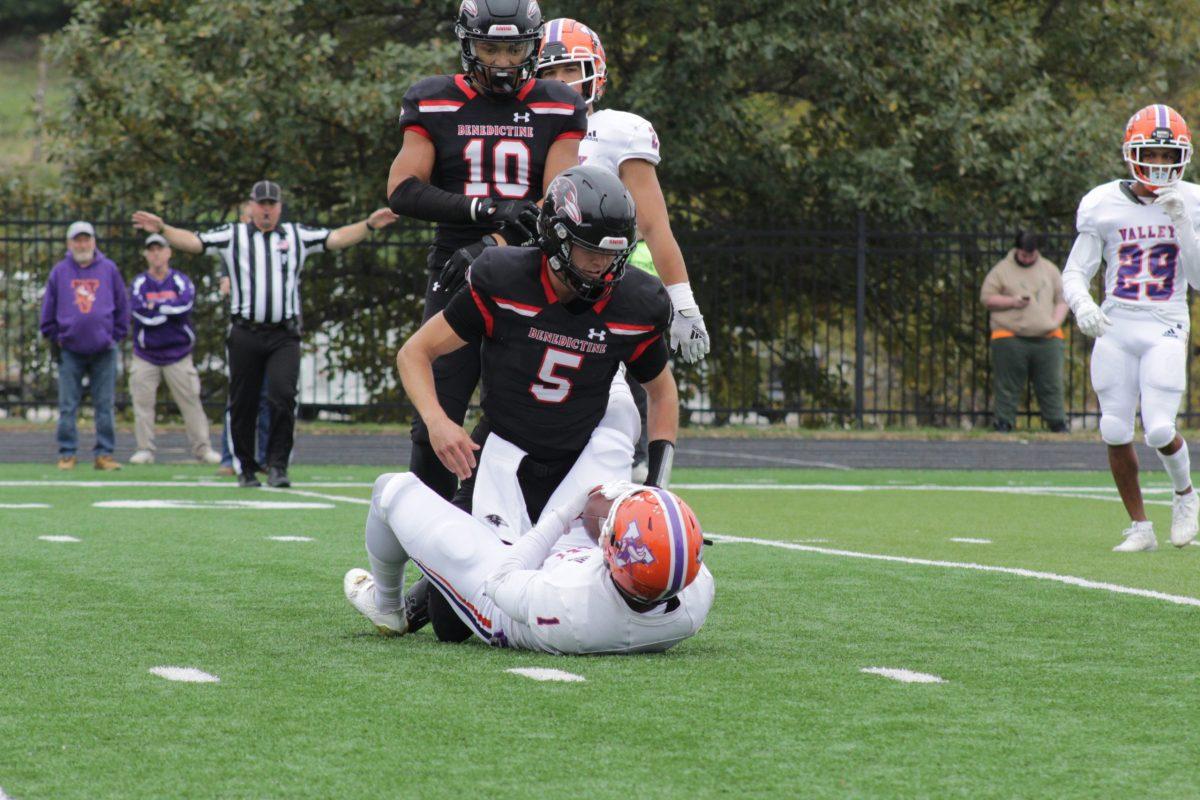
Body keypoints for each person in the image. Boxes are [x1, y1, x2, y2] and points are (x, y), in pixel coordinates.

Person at [397, 166, 679, 641]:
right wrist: (439, 422)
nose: (600, 267)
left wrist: (657, 483)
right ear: (555, 235)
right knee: (452, 627)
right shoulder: (504, 279)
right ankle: (428, 591)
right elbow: (414, 353)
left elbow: (662, 390)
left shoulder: (637, 301)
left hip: (579, 461)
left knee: (599, 583)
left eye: (611, 255)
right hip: (504, 451)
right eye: (589, 251)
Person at [385, 0, 588, 502]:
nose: (500, 60)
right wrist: (489, 212)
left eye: (513, 47)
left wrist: (496, 241)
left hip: (532, 268)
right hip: (458, 269)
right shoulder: (433, 100)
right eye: (489, 47)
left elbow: (559, 200)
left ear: (533, 46)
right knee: (437, 417)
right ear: (467, 44)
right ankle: (432, 558)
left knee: (527, 418)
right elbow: (403, 190)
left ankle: (498, 529)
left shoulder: (558, 103)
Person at [132, 181, 398, 488]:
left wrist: (368, 225)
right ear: (251, 206)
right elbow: (194, 242)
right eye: (262, 203)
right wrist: (163, 228)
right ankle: (246, 467)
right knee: (243, 402)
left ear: (280, 207)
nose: (267, 209)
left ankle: (277, 465)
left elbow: (336, 237)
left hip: (283, 335)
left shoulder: (296, 235)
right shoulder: (234, 236)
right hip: (245, 331)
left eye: (272, 203)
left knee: (283, 397)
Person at [343, 473, 714, 654]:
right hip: (571, 573)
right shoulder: (695, 592)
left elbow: (502, 578)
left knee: (391, 489)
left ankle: (387, 607)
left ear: (616, 559)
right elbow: (663, 548)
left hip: (502, 601)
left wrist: (565, 512)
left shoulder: (571, 603)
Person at [1063, 104, 1200, 551]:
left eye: (1167, 156)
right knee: (1114, 428)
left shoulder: (1193, 201)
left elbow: (1198, 279)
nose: (1160, 164)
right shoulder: (1102, 202)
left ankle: (1185, 496)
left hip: (1165, 321)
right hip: (1117, 323)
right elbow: (1074, 272)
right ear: (1132, 153)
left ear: (1182, 156)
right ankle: (1140, 527)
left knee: (1160, 428)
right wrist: (1082, 304)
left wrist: (1182, 222)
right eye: (1152, 154)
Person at [535, 19, 711, 367]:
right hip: (539, 279)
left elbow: (654, 225)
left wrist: (684, 302)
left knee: (620, 393)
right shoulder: (520, 131)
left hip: (606, 280)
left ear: (594, 73)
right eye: (549, 72)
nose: (560, 82)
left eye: (570, 68)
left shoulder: (619, 130)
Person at [39, 221, 127, 471]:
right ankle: (67, 453)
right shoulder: (60, 271)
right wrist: (55, 335)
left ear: (94, 241)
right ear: (69, 244)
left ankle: (105, 454)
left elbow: (122, 304)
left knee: (104, 404)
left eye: (86, 239)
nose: (82, 244)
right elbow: (48, 308)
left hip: (104, 348)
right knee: (67, 405)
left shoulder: (109, 269)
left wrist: (116, 334)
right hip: (70, 349)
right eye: (77, 240)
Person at [127, 233, 222, 465]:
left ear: (169, 252)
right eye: (152, 250)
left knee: (191, 403)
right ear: (146, 254)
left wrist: (156, 307)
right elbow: (139, 312)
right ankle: (145, 449)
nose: (156, 254)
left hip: (178, 354)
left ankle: (203, 449)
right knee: (142, 405)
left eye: (160, 249)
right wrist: (166, 309)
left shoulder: (180, 280)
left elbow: (185, 306)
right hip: (146, 354)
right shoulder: (139, 283)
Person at [980, 231, 1069, 433]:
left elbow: (1063, 299)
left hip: (1047, 337)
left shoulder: (1049, 269)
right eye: (1023, 255)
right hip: (1009, 336)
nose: (1027, 258)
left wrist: (1055, 322)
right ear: (1017, 250)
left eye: (1031, 255)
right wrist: (1013, 302)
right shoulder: (1001, 270)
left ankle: (1057, 423)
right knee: (1008, 385)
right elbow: (987, 299)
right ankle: (1003, 422)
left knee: (1051, 384)